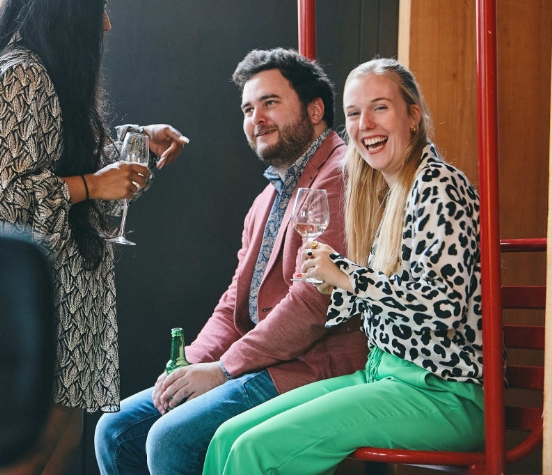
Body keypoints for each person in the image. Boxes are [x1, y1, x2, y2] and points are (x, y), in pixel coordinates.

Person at [202, 57, 484, 475]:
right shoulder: (386, 192)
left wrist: (345, 276)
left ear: (413, 114)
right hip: (381, 376)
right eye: (354, 113)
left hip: (442, 391)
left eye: (380, 107)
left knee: (253, 452)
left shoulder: (438, 185)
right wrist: (325, 282)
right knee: (228, 437)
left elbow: (440, 307)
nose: (365, 123)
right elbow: (373, 303)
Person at [94, 48, 368, 474]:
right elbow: (235, 301)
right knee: (115, 429)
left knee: (171, 438)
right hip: (261, 361)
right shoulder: (268, 196)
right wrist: (186, 368)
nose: (255, 118)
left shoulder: (342, 174)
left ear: (315, 110)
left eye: (270, 103)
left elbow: (314, 305)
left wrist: (223, 369)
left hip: (313, 367)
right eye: (247, 108)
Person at [0, 0, 188, 473]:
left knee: (61, 443)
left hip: (62, 298)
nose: (106, 23)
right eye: (98, 8)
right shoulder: (21, 76)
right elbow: (3, 198)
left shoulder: (47, 77)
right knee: (30, 448)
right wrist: (95, 185)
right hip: (35, 301)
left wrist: (137, 138)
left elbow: (59, 151)